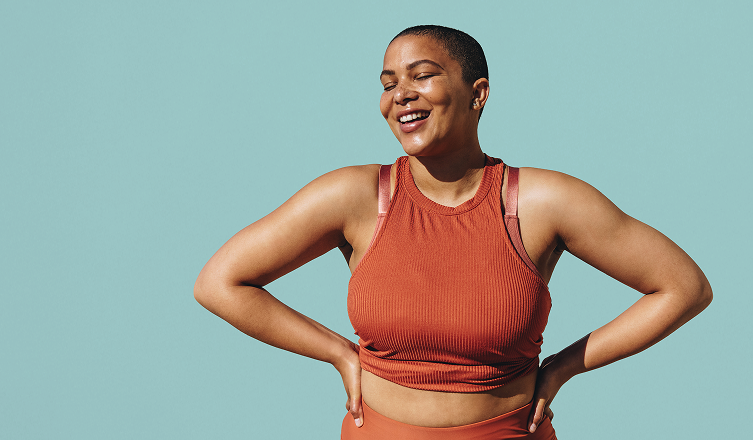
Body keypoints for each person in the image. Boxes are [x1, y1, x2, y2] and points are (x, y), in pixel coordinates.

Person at [194, 25, 712, 439]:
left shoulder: (542, 202)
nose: (400, 95)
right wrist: (337, 352)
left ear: (477, 92)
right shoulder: (354, 197)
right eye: (388, 83)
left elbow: (683, 287)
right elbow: (219, 283)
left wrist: (560, 369)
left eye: (421, 76)